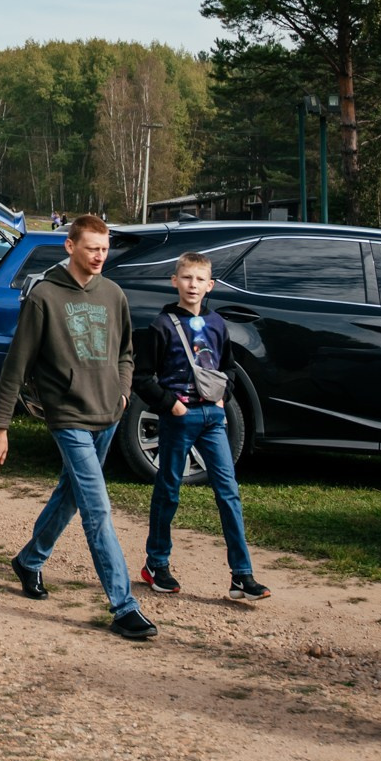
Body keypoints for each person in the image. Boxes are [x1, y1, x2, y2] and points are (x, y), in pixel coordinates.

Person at [0, 215, 153, 641]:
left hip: (108, 414)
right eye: (92, 248)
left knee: (71, 494)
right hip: (68, 417)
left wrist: (122, 394)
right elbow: (16, 365)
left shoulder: (113, 294)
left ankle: (29, 560)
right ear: (70, 246)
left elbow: (126, 353)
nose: (99, 256)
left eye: (104, 249)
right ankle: (123, 606)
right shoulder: (44, 296)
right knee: (98, 510)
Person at [133, 250, 270, 603]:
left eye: (199, 280)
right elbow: (142, 377)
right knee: (169, 490)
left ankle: (242, 575)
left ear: (210, 285)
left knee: (229, 492)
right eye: (186, 278)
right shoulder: (161, 326)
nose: (192, 285)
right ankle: (156, 564)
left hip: (213, 419)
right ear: (174, 281)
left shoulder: (217, 324)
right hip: (179, 419)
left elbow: (228, 367)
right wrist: (171, 404)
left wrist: (224, 396)